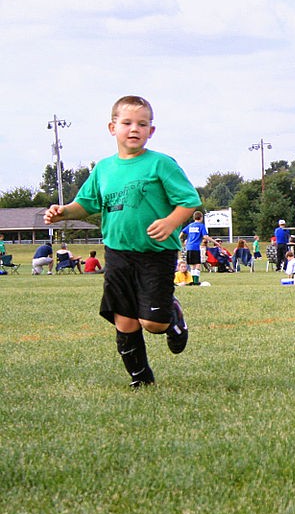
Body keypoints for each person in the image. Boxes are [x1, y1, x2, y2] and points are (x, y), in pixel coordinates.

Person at [44, 95, 200, 388]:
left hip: (156, 253)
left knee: (153, 324)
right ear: (112, 127)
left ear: (151, 131)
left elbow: (189, 202)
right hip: (117, 252)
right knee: (125, 320)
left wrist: (170, 222)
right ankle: (141, 379)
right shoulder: (104, 169)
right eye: (126, 122)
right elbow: (87, 203)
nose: (134, 128)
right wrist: (63, 211)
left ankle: (173, 313)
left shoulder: (161, 164)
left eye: (142, 124)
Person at [182, 211, 214, 285]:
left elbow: (183, 232)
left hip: (188, 247)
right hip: (195, 247)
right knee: (198, 264)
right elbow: (205, 236)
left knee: (192, 265)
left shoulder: (190, 225)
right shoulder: (201, 226)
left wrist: (179, 239)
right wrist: (214, 242)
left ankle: (192, 281)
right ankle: (196, 281)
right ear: (201, 218)